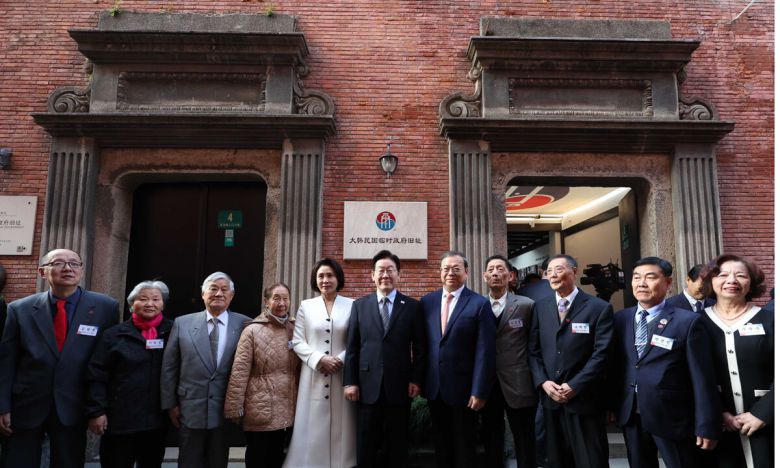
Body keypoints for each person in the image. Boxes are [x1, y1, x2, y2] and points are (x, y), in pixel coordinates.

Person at [0, 248, 119, 467]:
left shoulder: (105, 307)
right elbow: (7, 362)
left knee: (68, 462)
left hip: (75, 403)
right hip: (26, 404)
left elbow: (107, 363)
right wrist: (2, 405)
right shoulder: (19, 309)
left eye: (74, 263)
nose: (67, 268)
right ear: (42, 272)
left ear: (81, 270)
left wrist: (99, 407)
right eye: (58, 263)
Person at [610, 256, 720, 468]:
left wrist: (707, 424)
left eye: (650, 277)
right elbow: (619, 366)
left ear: (668, 283)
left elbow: (702, 378)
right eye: (637, 277)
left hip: (673, 415)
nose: (642, 283)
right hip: (632, 414)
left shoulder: (687, 321)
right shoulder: (620, 319)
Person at [343, 250, 426, 468]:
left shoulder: (413, 307)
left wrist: (416, 379)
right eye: (381, 271)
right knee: (366, 442)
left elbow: (419, 348)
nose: (385, 275)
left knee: (397, 443)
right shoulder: (360, 306)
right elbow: (352, 347)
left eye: (390, 270)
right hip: (366, 385)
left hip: (399, 386)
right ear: (372, 275)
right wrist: (350, 381)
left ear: (399, 275)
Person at [528, 254, 612, 468]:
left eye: (558, 269)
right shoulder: (540, 307)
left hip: (584, 399)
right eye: (549, 271)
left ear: (574, 272)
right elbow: (533, 351)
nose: (553, 275)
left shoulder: (598, 308)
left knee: (591, 460)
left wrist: (575, 385)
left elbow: (602, 353)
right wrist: (543, 383)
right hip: (550, 400)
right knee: (556, 460)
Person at [160, 272, 251, 468]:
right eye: (213, 289)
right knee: (188, 461)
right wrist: (170, 404)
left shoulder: (245, 324)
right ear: (203, 294)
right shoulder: (182, 323)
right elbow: (169, 367)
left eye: (224, 290)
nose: (218, 293)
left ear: (232, 296)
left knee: (218, 461)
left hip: (226, 409)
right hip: (189, 407)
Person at [86, 280, 173, 468]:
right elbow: (97, 374)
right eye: (143, 299)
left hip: (156, 422)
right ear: (132, 304)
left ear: (163, 304)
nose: (150, 304)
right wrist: (97, 411)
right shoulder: (114, 335)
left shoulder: (173, 331)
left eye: (155, 299)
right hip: (119, 421)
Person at [420, 250, 495, 468]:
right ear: (440, 272)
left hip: (465, 391)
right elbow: (423, 346)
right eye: (445, 268)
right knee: (441, 446)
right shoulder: (428, 302)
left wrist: (479, 390)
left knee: (464, 447)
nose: (450, 273)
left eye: (456, 268)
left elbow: (485, 351)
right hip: (435, 388)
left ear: (467, 272)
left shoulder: (479, 304)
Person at [699, 255, 773, 468]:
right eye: (722, 275)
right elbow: (694, 375)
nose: (731, 280)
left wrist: (762, 413)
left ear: (751, 282)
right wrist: (718, 413)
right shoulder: (697, 323)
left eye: (741, 275)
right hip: (719, 425)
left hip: (766, 422)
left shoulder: (770, 319)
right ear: (710, 281)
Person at [283, 259, 356, 468]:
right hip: (313, 375)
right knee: (312, 423)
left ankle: (345, 462)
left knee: (344, 424)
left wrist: (340, 359)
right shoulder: (306, 306)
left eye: (330, 275)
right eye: (321, 276)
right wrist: (319, 359)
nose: (326, 280)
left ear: (338, 278)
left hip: (342, 375)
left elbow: (357, 339)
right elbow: (297, 340)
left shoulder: (352, 305)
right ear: (315, 280)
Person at [224, 283, 300, 468]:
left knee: (278, 458)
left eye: (285, 298)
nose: (281, 303)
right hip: (260, 407)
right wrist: (234, 407)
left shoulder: (295, 329)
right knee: (258, 457)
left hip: (288, 407)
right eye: (276, 298)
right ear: (266, 302)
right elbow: (240, 371)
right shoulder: (252, 330)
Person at [480, 255, 537, 468]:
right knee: (491, 437)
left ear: (510, 275)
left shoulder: (526, 305)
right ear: (485, 276)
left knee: (524, 438)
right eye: (491, 269)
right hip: (488, 384)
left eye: (500, 269)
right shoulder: (477, 305)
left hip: (519, 382)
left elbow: (534, 344)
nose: (496, 273)